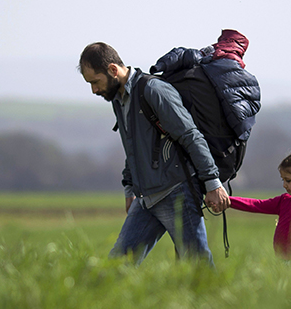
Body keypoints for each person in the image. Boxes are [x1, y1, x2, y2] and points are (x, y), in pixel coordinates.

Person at [78, 41, 230, 263]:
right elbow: (133, 146)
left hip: (177, 194)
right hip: (146, 199)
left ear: (112, 70)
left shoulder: (153, 90)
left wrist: (212, 183)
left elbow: (190, 136)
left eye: (95, 81)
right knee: (117, 265)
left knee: (197, 268)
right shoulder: (118, 99)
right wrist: (130, 188)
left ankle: (222, 299)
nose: (94, 90)